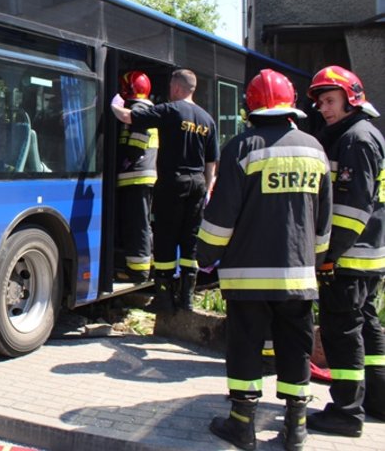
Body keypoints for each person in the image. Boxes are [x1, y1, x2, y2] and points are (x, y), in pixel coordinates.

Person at [196, 69, 332, 451]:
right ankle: (296, 428)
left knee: (245, 346)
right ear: (290, 106)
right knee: (295, 347)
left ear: (250, 106)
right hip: (298, 276)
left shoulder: (243, 147)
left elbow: (221, 217)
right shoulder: (314, 149)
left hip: (248, 278)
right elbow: (323, 221)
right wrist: (316, 260)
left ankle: (242, 425)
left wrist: (204, 256)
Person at [304, 65, 385, 437]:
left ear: (352, 99)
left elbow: (353, 211)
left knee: (343, 331)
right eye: (321, 102)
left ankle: (347, 412)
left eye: (331, 100)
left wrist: (329, 255)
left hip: (350, 258)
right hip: (367, 254)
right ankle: (377, 400)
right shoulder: (359, 135)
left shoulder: (356, 139)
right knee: (366, 326)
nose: (324, 108)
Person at [111, 68, 218, 311]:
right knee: (190, 241)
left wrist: (113, 102)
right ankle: (187, 300)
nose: (169, 91)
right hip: (198, 184)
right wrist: (207, 190)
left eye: (171, 86)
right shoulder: (206, 119)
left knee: (166, 239)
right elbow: (212, 163)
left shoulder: (171, 110)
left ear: (177, 88)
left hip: (172, 182)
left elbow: (128, 117)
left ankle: (164, 300)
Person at [114, 71, 158, 283]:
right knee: (143, 224)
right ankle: (147, 266)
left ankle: (138, 272)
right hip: (141, 176)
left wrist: (120, 160)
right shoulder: (147, 108)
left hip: (136, 176)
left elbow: (136, 144)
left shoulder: (138, 110)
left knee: (136, 225)